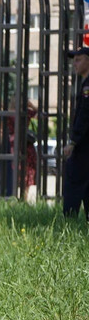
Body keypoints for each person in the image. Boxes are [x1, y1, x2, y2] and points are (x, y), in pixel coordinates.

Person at [64, 46, 89, 220]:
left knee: (74, 181)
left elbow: (85, 114)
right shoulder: (85, 84)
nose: (75, 63)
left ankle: (69, 222)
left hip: (84, 146)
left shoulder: (88, 86)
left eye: (79, 59)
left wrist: (73, 141)